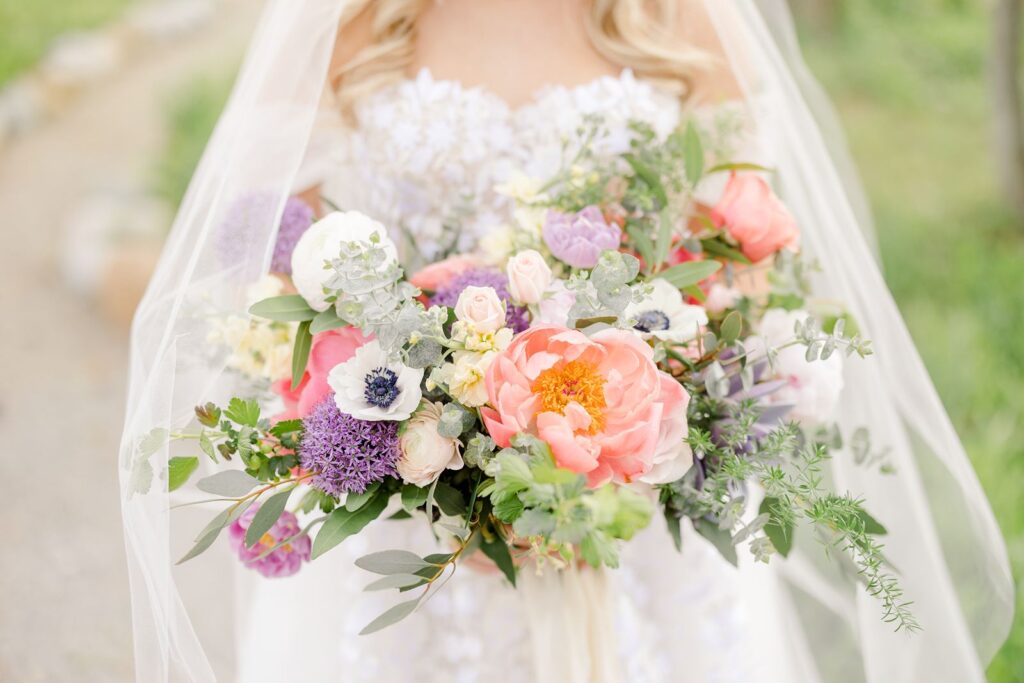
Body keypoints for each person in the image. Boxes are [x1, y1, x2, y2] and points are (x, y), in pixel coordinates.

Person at [119, 2, 1013, 681]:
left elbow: (748, 246)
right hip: (419, 528)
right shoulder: (356, 24)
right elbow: (276, 256)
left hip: (641, 511)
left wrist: (652, 399)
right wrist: (424, 424)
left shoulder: (675, 20)